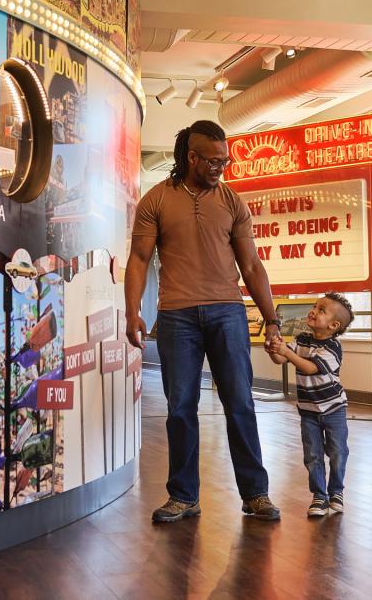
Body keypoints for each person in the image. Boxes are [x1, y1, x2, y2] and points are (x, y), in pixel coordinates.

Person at [125, 120, 285, 523]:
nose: (220, 168)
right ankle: (183, 496)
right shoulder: (156, 200)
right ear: (191, 158)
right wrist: (132, 312)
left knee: (240, 404)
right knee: (180, 407)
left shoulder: (232, 202)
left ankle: (256, 494)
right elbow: (139, 260)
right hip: (177, 317)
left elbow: (251, 265)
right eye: (212, 161)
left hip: (227, 312)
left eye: (224, 161)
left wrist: (271, 319)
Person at [264, 293, 354, 518]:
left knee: (337, 452)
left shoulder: (333, 347)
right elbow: (282, 360)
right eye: (315, 306)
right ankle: (319, 496)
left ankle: (336, 491)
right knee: (312, 454)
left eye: (321, 309)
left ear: (334, 325)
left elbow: (310, 368)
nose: (313, 310)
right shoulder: (302, 339)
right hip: (308, 411)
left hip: (333, 410)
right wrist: (275, 350)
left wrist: (286, 352)